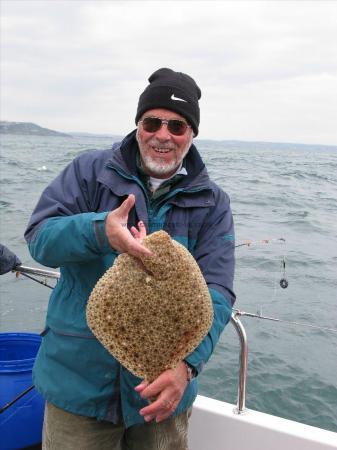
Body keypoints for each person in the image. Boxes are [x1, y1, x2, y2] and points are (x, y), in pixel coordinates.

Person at [25, 68, 236, 450]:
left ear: (191, 134)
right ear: (138, 124)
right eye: (152, 122)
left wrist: (186, 365)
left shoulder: (212, 201)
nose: (163, 135)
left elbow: (218, 289)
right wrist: (99, 231)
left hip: (163, 397)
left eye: (177, 126)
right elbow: (40, 240)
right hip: (79, 385)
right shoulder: (88, 172)